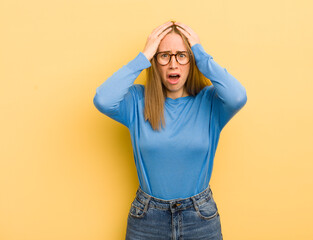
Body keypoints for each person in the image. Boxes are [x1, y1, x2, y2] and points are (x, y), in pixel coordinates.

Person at [93, 21, 247, 240]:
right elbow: (103, 99)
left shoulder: (210, 102)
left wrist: (201, 54)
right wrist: (143, 56)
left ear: (191, 60)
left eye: (182, 55)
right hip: (147, 219)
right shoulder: (137, 101)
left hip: (200, 218)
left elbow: (238, 96)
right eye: (164, 55)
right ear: (155, 61)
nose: (173, 64)